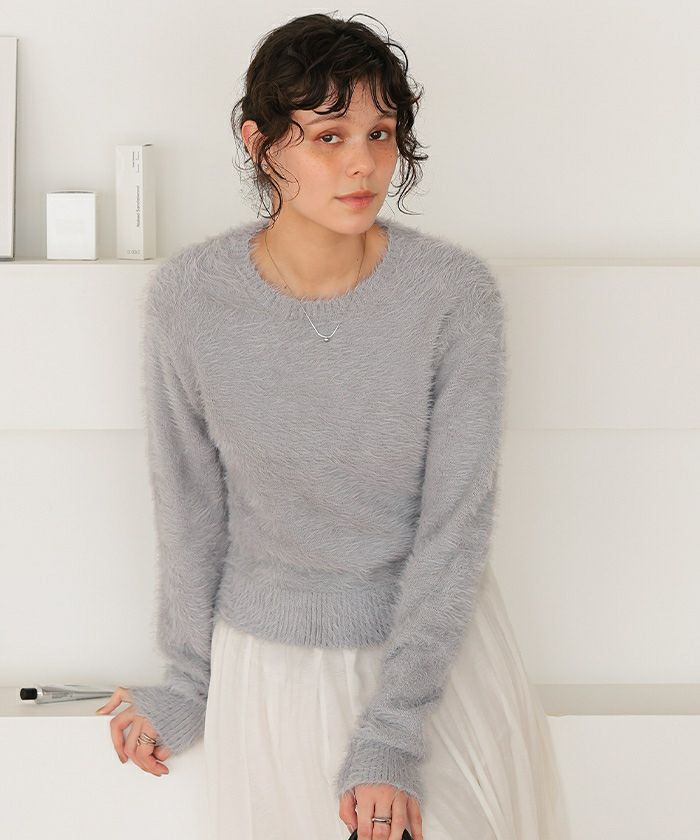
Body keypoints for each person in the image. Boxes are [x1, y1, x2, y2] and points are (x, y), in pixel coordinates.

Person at [96, 12, 571, 840]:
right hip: (269, 670)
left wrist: (393, 735)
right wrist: (189, 683)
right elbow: (189, 508)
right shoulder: (190, 300)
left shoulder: (453, 297)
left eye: (380, 133)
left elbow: (455, 526)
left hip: (433, 674)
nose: (363, 163)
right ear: (259, 144)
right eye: (328, 136)